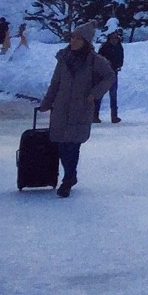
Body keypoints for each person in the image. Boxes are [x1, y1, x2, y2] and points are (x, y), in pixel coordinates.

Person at [34, 26, 115, 198]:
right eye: (72, 37)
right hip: (61, 108)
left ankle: (68, 179)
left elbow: (110, 76)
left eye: (78, 38)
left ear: (85, 41)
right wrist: (47, 103)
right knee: (62, 145)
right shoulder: (64, 59)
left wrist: (94, 93)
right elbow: (55, 83)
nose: (73, 41)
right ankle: (71, 174)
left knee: (72, 145)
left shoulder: (95, 60)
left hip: (80, 109)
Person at [94, 28, 125, 123]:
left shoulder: (119, 47)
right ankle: (95, 115)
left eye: (116, 38)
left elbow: (121, 60)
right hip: (103, 75)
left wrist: (116, 66)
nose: (114, 40)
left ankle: (114, 116)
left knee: (113, 95)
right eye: (112, 38)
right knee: (100, 94)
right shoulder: (104, 47)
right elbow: (98, 60)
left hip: (114, 73)